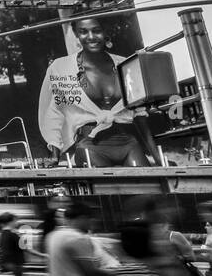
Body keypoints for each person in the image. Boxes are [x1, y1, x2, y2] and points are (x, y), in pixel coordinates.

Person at [39, 15, 153, 168]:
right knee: (109, 189)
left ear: (105, 32)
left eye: (97, 30)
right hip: (90, 145)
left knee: (149, 189)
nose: (91, 37)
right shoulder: (61, 68)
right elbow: (55, 113)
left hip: (127, 142)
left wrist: (157, 156)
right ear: (76, 34)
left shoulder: (126, 64)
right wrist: (54, 155)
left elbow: (140, 115)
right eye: (83, 32)